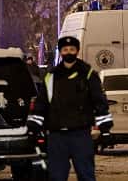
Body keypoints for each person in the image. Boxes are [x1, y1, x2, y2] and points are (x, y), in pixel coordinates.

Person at [31, 36, 114, 181]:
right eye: (65, 50)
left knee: (86, 174)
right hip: (56, 136)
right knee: (56, 176)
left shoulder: (88, 74)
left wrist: (105, 129)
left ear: (77, 51)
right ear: (61, 52)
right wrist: (33, 127)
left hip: (80, 134)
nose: (68, 52)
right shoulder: (51, 76)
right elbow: (41, 104)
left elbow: (100, 103)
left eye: (72, 49)